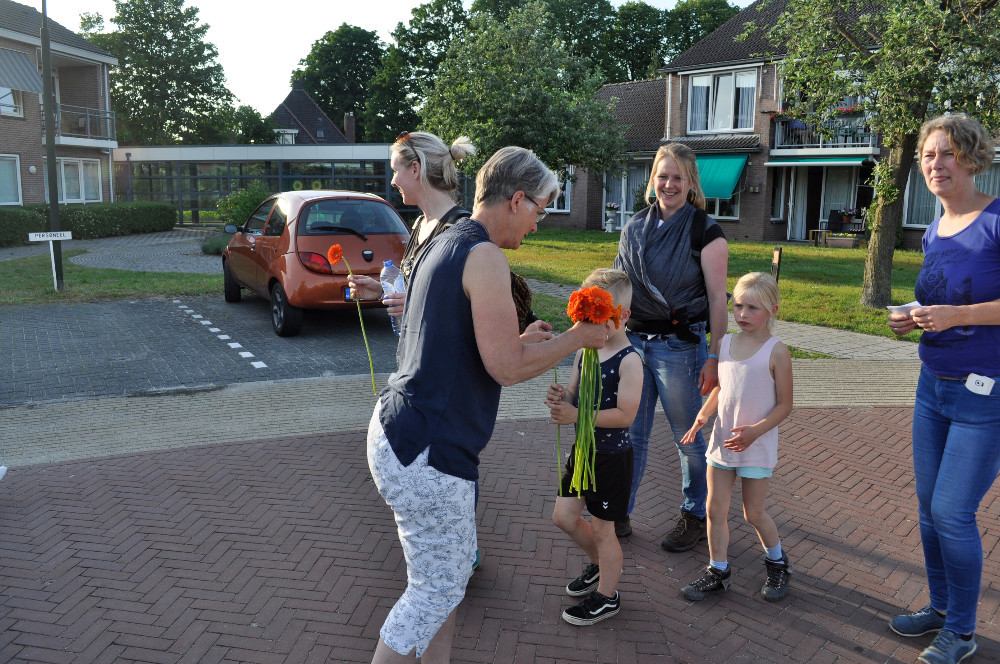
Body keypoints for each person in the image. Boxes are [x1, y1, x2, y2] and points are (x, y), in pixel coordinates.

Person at [366, 146, 610, 663]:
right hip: (428, 448)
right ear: (516, 200)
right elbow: (506, 369)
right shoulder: (484, 256)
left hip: (400, 431)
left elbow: (466, 346)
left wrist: (520, 339)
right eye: (540, 209)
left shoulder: (444, 237)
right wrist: (577, 338)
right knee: (433, 590)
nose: (539, 223)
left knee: (445, 584)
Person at [886, 113, 1000, 664]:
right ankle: (939, 607)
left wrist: (959, 315)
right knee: (930, 510)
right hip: (931, 386)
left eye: (948, 153)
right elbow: (939, 295)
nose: (936, 164)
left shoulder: (996, 220)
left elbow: (963, 307)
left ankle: (962, 630)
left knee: (953, 512)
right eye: (929, 155)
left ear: (972, 158)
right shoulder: (934, 229)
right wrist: (910, 316)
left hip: (984, 393)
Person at [613, 143, 729, 548]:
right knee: (631, 434)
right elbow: (619, 286)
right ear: (653, 180)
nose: (669, 184)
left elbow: (717, 300)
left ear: (691, 182)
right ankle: (619, 511)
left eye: (678, 177)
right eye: (663, 176)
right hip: (634, 344)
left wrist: (714, 356)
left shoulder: (706, 232)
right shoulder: (634, 227)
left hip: (680, 347)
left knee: (688, 436)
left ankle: (695, 514)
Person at [677, 272, 793, 602]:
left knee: (752, 513)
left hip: (756, 445)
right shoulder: (725, 343)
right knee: (714, 510)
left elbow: (785, 405)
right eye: (738, 305)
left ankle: (778, 562)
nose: (742, 314)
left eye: (752, 308)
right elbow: (721, 388)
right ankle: (718, 570)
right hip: (722, 443)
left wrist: (754, 432)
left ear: (772, 310)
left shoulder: (776, 352)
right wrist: (702, 416)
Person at [545, 268, 642, 626]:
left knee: (604, 531)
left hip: (612, 459)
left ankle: (608, 596)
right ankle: (600, 566)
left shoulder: (630, 360)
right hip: (583, 452)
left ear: (623, 315)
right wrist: (561, 398)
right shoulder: (585, 351)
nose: (593, 325)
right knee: (564, 517)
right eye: (587, 317)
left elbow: (626, 415)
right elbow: (573, 391)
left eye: (602, 317)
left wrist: (576, 414)